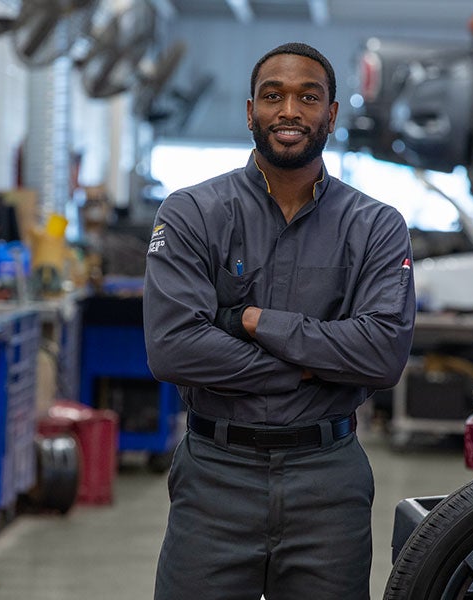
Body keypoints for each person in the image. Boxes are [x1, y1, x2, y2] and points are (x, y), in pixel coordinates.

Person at [143, 41, 416, 600]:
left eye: (308, 97)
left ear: (332, 115)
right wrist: (310, 367)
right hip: (215, 475)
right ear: (250, 112)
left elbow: (383, 353)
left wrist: (250, 320)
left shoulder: (376, 227)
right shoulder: (192, 212)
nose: (289, 111)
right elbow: (173, 348)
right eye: (273, 96)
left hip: (328, 479)